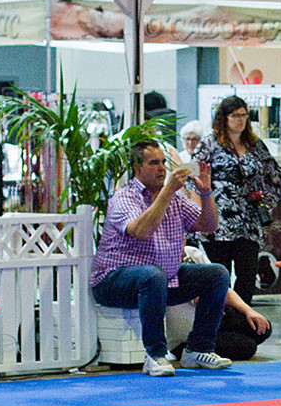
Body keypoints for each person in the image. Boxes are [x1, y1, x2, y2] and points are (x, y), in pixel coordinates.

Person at [90, 139, 233, 377]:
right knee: (152, 274)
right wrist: (167, 191)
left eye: (164, 162)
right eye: (153, 163)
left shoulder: (175, 199)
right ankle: (156, 355)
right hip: (114, 281)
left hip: (160, 279)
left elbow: (209, 225)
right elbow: (141, 231)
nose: (162, 168)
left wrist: (205, 191)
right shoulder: (124, 197)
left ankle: (197, 349)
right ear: (137, 168)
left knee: (216, 274)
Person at [193, 95, 281, 305]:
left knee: (248, 273)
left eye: (244, 115)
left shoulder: (255, 144)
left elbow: (274, 174)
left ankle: (240, 317)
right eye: (235, 115)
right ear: (224, 118)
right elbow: (196, 181)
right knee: (221, 275)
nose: (241, 120)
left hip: (248, 220)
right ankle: (220, 319)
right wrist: (201, 216)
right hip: (219, 219)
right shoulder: (209, 144)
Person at [166, 246, 273, 361]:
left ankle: (221, 337)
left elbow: (223, 289)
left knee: (263, 327)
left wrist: (249, 311)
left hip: (213, 318)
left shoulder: (192, 253)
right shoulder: (160, 263)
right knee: (247, 347)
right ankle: (190, 349)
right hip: (185, 334)